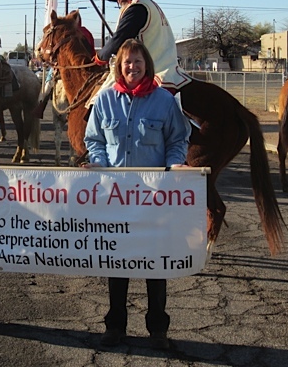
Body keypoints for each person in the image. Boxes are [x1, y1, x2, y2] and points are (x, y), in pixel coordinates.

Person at [84, 39, 190, 350]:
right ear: (120, 66)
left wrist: (175, 167)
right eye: (128, 62)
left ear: (147, 66)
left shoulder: (165, 101)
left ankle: (158, 329)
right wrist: (100, 166)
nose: (133, 67)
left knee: (155, 265)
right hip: (116, 198)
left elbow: (177, 140)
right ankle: (115, 326)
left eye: (138, 62)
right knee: (117, 265)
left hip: (153, 198)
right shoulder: (104, 101)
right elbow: (95, 141)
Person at [95, 0, 192, 94]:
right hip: (168, 66)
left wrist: (100, 57)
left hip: (152, 69)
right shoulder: (148, 4)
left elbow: (119, 38)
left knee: (102, 97)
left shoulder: (137, 8)